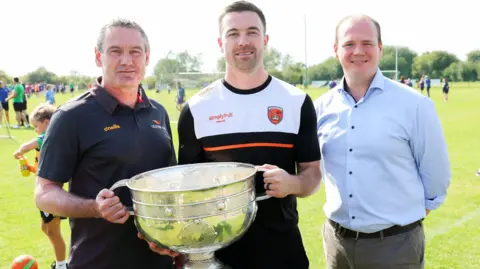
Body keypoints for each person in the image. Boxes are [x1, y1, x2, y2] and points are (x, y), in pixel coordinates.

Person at [155, 1, 321, 268]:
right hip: (216, 258)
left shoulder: (296, 101)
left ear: (265, 39)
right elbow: (186, 193)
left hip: (283, 254)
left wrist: (291, 183)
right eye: (233, 33)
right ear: (221, 43)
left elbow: (312, 174)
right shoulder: (197, 109)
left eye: (252, 32)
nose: (243, 41)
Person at [34, 18, 177, 269]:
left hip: (159, 261)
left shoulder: (159, 113)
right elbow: (44, 193)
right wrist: (95, 208)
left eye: (135, 51)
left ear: (147, 57)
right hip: (97, 261)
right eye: (115, 51)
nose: (126, 60)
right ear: (98, 57)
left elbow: (172, 188)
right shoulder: (71, 116)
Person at [314, 14, 451, 269]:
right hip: (337, 244)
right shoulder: (320, 108)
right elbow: (313, 171)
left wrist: (403, 221)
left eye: (367, 43)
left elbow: (436, 175)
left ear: (380, 48)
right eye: (348, 44)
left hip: (394, 246)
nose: (358, 51)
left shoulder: (414, 105)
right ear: (336, 50)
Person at [13, 103, 68, 269]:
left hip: (51, 192)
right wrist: (29, 167)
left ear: (46, 122)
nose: (36, 130)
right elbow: (40, 168)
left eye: (36, 126)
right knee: (46, 228)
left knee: (53, 231)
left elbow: (29, 145)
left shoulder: (49, 135)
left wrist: (20, 151)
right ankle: (61, 263)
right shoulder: (47, 139)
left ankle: (61, 265)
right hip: (45, 191)